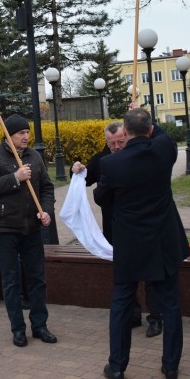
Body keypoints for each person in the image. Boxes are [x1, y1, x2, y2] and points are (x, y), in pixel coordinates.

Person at [94, 108, 190, 379]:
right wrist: (142, 123)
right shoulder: (163, 150)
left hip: (130, 245)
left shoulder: (112, 165)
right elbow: (158, 133)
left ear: (124, 132)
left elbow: (101, 197)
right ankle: (171, 366)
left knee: (121, 304)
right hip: (162, 242)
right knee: (170, 304)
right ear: (149, 129)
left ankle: (117, 367)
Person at [73, 121, 163, 338]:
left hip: (144, 227)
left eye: (120, 141)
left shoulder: (141, 156)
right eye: (111, 143)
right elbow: (85, 178)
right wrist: (76, 169)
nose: (115, 147)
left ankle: (156, 317)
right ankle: (132, 315)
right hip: (116, 229)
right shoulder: (102, 160)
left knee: (151, 274)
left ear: (128, 137)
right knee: (124, 274)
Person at [0, 114, 57, 347]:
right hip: (4, 227)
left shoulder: (34, 156)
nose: (26, 136)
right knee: (11, 280)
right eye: (21, 133)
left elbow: (47, 188)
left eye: (27, 132)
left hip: (31, 227)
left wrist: (46, 210)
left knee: (37, 278)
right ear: (8, 135)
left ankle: (40, 325)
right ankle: (18, 328)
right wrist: (15, 177)